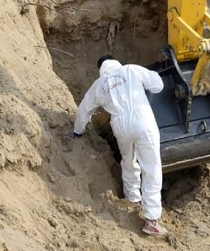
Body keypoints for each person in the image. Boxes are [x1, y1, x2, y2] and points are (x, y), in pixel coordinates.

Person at [68, 55, 169, 236]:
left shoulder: (99, 85)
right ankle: (151, 219)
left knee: (128, 161)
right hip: (142, 119)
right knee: (151, 167)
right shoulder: (130, 69)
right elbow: (158, 85)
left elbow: (84, 109)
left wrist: (77, 131)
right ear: (116, 62)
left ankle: (132, 198)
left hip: (119, 125)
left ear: (101, 69)